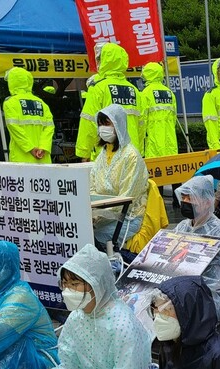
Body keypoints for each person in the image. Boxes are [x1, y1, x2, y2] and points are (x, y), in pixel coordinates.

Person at [34, 244, 156, 369]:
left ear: (96, 284)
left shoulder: (122, 324)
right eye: (65, 284)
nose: (68, 291)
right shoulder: (77, 317)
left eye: (75, 284)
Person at [174, 175, 220, 321]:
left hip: (213, 295)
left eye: (190, 198)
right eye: (183, 198)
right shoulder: (182, 227)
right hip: (183, 289)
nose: (185, 202)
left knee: (180, 311)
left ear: (206, 202)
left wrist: (186, 289)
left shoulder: (219, 231)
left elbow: (217, 277)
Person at [90, 104, 149, 248]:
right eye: (100, 124)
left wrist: (97, 216)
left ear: (118, 124)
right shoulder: (103, 154)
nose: (103, 128)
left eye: (107, 123)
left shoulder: (131, 156)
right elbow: (92, 186)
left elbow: (126, 198)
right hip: (101, 216)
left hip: (127, 217)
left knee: (90, 237)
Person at [76, 43, 143, 161]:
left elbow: (88, 121)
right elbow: (141, 125)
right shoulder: (134, 90)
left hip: (108, 154)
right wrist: (140, 151)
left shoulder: (99, 88)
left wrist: (84, 152)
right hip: (132, 154)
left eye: (99, 59)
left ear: (105, 60)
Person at [3, 67, 54, 164]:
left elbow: (14, 128)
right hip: (43, 158)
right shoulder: (42, 103)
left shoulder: (10, 103)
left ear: (12, 83)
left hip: (21, 158)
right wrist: (43, 147)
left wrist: (30, 148)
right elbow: (49, 128)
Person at [139, 61, 178, 158]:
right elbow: (174, 118)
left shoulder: (145, 93)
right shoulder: (169, 92)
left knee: (156, 168)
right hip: (170, 138)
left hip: (153, 138)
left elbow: (142, 120)